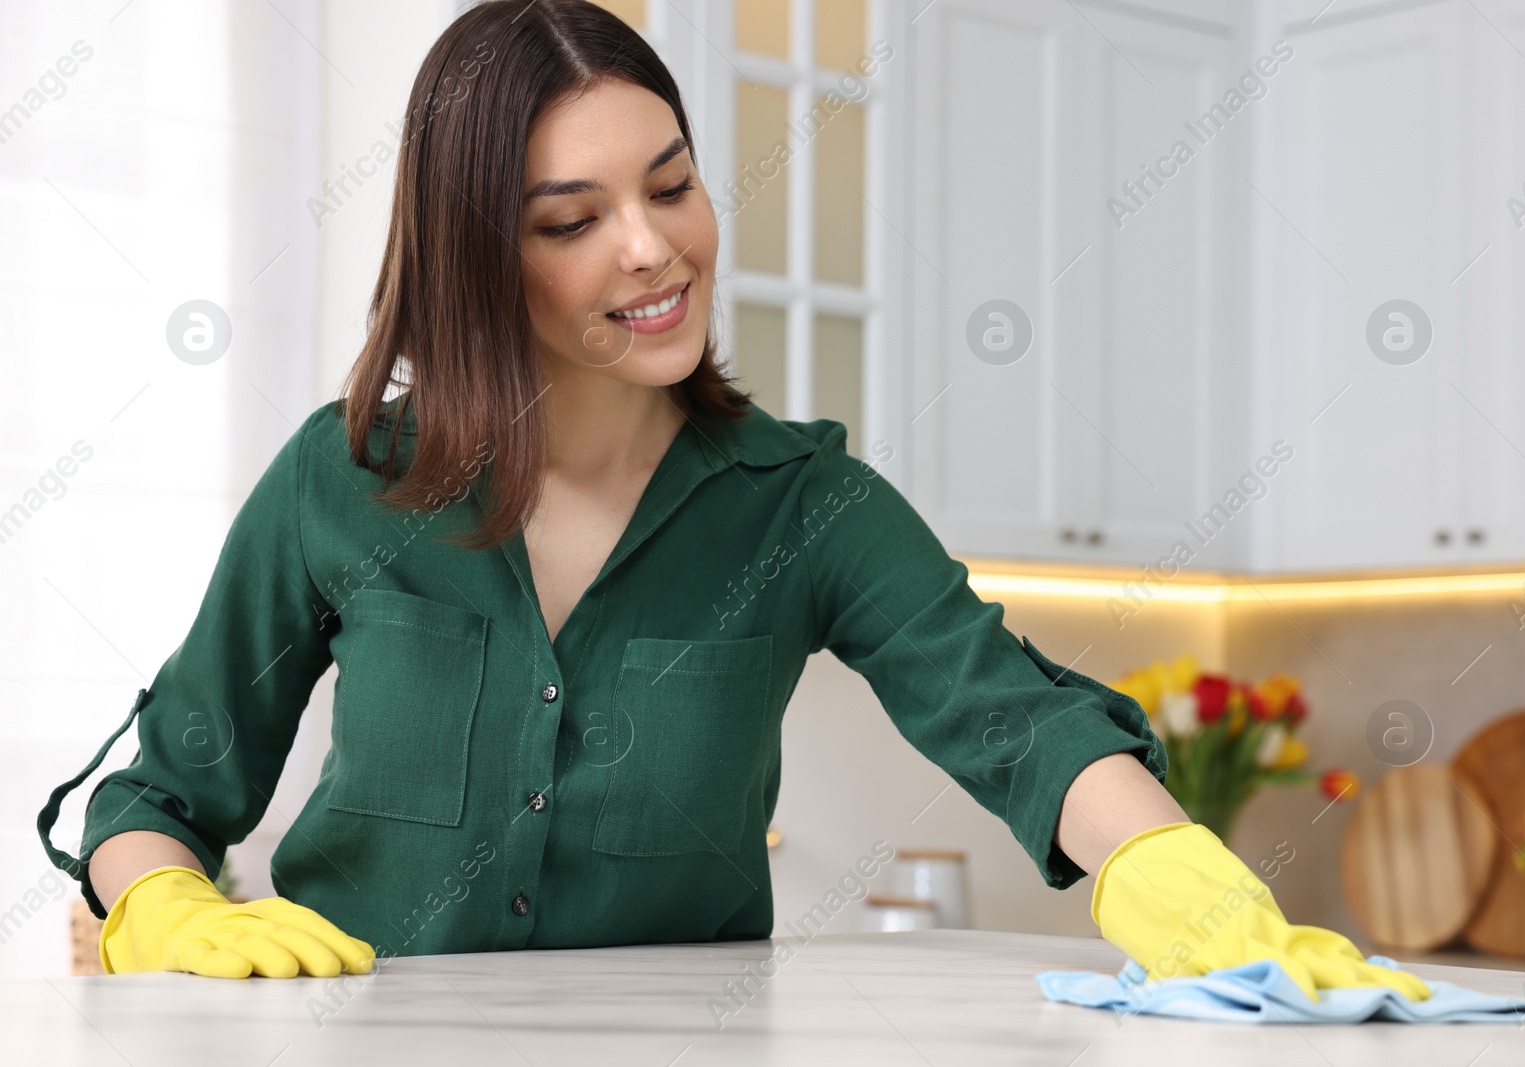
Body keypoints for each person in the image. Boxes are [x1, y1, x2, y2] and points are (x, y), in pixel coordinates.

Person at [37, 0, 1429, 1001]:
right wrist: (157, 901)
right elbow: (166, 791)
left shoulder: (800, 503)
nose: (655, 250)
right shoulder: (338, 484)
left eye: (675, 186)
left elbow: (1013, 714)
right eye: (573, 221)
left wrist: (1171, 871)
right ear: (476, 258)